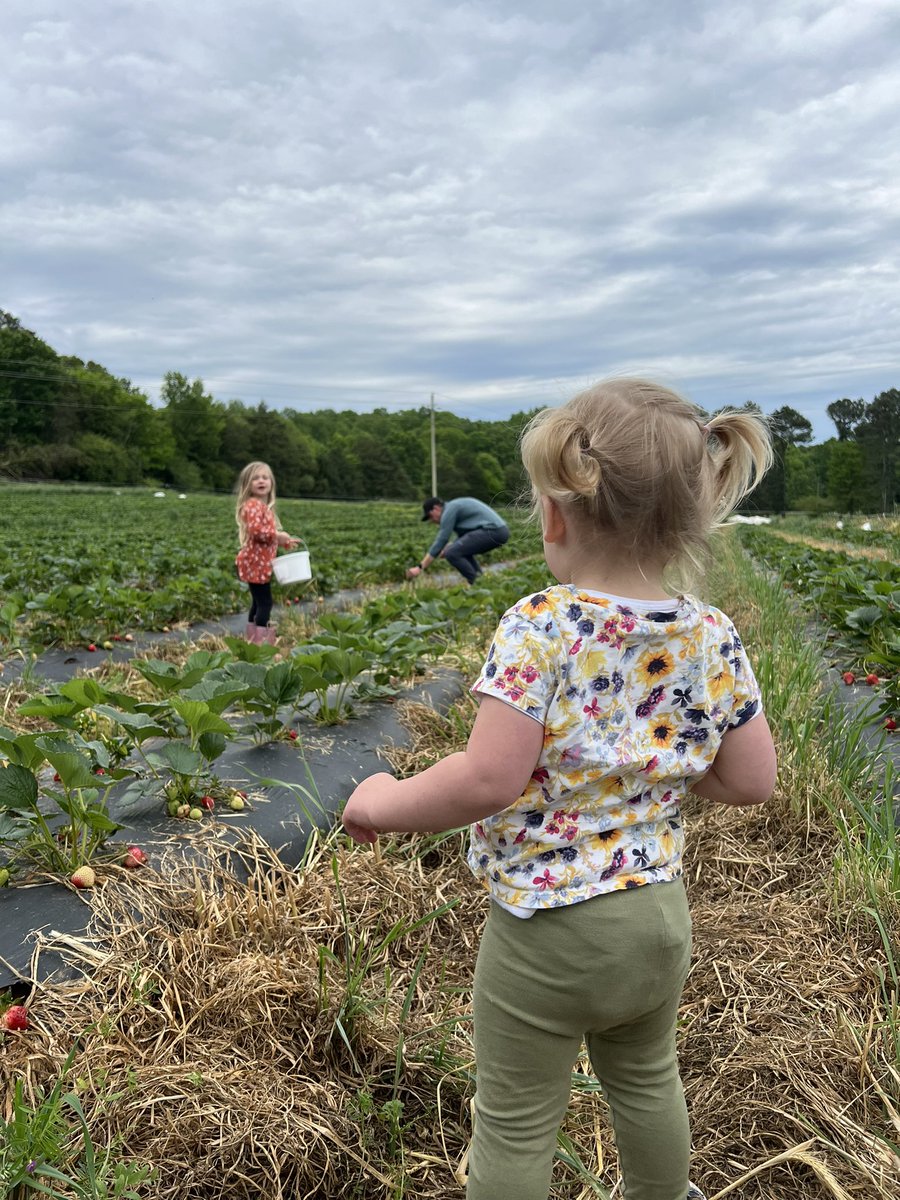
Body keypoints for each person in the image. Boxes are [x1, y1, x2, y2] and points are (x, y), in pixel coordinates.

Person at [343, 378, 777, 1200]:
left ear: (553, 514)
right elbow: (752, 779)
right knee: (648, 1079)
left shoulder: (542, 624)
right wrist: (662, 766)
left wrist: (379, 800)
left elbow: (486, 777)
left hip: (549, 930)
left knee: (514, 1118)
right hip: (657, 920)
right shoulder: (711, 632)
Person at [234, 461, 298, 644]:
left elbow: (265, 538)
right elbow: (257, 532)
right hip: (256, 564)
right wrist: (278, 536)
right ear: (248, 484)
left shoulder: (262, 507)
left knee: (257, 602)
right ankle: (261, 645)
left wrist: (282, 542)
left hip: (258, 564)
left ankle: (253, 641)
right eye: (255, 478)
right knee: (265, 603)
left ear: (271, 482)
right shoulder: (253, 505)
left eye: (265, 477)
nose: (261, 481)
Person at [407, 496, 509, 584]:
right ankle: (481, 581)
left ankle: (476, 584)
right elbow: (464, 537)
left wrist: (420, 567)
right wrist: (450, 546)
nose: (432, 521)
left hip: (493, 531)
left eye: (430, 516)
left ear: (436, 508)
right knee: (459, 551)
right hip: (498, 531)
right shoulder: (454, 507)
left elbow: (442, 539)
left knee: (452, 553)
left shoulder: (449, 510)